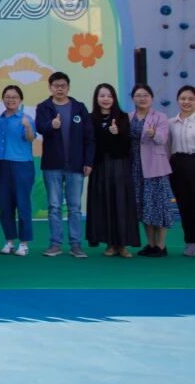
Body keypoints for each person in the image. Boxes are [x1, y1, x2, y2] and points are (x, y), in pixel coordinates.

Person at [35, 71, 94, 258]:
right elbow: (39, 128)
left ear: (68, 87)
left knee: (75, 207)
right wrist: (51, 125)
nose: (59, 89)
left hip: (76, 165)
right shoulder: (44, 107)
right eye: (56, 86)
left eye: (63, 86)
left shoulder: (79, 108)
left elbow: (89, 137)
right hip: (52, 165)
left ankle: (76, 245)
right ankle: (55, 244)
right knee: (54, 206)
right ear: (50, 87)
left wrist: (88, 162)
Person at [86, 83, 139, 257]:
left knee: (121, 203)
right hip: (99, 166)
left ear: (114, 98)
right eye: (102, 96)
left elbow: (128, 144)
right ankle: (109, 244)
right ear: (96, 98)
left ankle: (123, 245)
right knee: (103, 203)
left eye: (109, 96)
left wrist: (118, 133)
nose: (106, 99)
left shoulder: (122, 117)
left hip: (119, 166)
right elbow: (88, 143)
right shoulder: (90, 118)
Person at [129, 84, 173, 257]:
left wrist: (153, 134)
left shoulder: (160, 117)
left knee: (159, 206)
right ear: (133, 98)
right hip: (135, 168)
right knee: (144, 206)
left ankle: (161, 246)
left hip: (155, 168)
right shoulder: (128, 117)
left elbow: (162, 139)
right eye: (138, 95)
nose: (142, 98)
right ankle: (151, 244)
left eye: (146, 95)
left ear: (152, 98)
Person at [0, 85, 36, 256]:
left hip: (22, 165)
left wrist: (27, 127)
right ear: (3, 99)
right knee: (5, 206)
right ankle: (9, 241)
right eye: (7, 97)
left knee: (22, 204)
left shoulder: (26, 118)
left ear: (20, 99)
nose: (10, 100)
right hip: (1, 165)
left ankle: (24, 244)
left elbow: (30, 138)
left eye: (14, 97)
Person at [168, 85, 195, 257]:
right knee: (184, 204)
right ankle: (191, 242)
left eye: (191, 99)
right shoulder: (170, 123)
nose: (186, 102)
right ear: (178, 100)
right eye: (183, 98)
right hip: (177, 164)